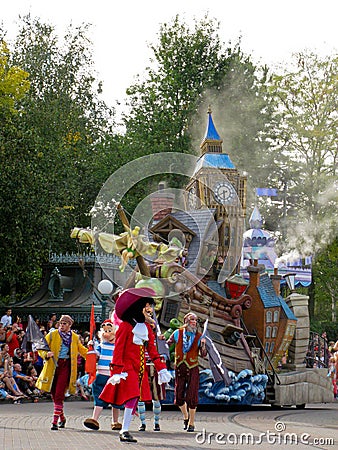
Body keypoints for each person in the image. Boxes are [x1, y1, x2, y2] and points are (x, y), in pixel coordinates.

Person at [99, 287, 172, 443]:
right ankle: (124, 430)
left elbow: (152, 351)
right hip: (127, 368)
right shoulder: (125, 326)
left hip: (140, 369)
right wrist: (116, 371)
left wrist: (162, 369)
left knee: (135, 399)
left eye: (149, 306)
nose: (149, 309)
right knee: (132, 396)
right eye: (146, 306)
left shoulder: (146, 328)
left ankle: (125, 428)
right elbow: (118, 350)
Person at [36, 314, 88, 430]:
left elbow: (82, 350)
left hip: (66, 366)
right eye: (61, 323)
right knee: (54, 393)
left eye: (65, 323)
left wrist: (92, 354)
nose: (62, 325)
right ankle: (62, 418)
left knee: (59, 393)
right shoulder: (53, 334)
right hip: (53, 366)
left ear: (70, 325)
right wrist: (46, 354)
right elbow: (40, 347)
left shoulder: (74, 337)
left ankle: (54, 421)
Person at [167, 312, 207, 432]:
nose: (194, 322)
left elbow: (203, 354)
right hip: (180, 367)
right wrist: (162, 341)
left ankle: (192, 422)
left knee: (192, 396)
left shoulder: (199, 336)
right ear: (186, 321)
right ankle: (185, 416)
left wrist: (204, 345)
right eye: (192, 319)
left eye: (195, 320)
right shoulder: (177, 333)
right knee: (178, 397)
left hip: (193, 367)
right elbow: (167, 344)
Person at [83, 318, 121, 431]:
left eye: (110, 330)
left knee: (116, 399)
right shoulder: (101, 345)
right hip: (101, 375)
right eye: (105, 331)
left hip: (114, 376)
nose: (107, 333)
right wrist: (91, 347)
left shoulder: (118, 346)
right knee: (99, 397)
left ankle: (115, 421)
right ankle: (94, 419)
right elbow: (94, 355)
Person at [137, 303, 166, 432]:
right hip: (141, 366)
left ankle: (156, 422)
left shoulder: (154, 337)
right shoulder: (136, 331)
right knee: (141, 396)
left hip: (152, 366)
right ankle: (142, 423)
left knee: (156, 396)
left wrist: (162, 366)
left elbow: (155, 352)